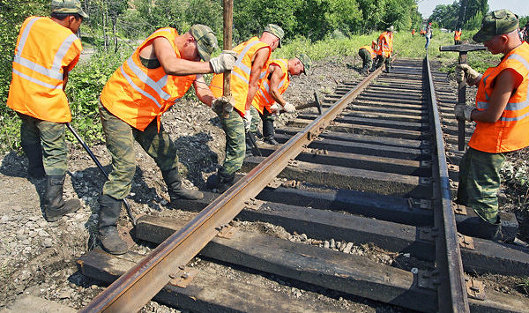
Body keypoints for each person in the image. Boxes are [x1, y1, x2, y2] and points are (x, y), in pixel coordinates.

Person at [96, 24, 236, 254]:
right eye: (198, 54)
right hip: (119, 108)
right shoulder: (164, 39)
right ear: (190, 40)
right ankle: (107, 227)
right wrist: (213, 64)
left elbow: (201, 89)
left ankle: (176, 190)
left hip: (145, 114)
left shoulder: (192, 63)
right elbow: (170, 66)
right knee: (126, 166)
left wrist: (214, 102)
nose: (199, 59)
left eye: (203, 58)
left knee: (167, 151)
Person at [6, 0, 88, 222]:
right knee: (56, 151)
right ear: (71, 18)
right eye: (79, 20)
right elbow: (63, 75)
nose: (79, 25)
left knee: (29, 130)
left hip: (21, 95)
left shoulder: (30, 22)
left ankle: (35, 170)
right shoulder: (71, 42)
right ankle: (54, 206)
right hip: (46, 103)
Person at [454, 9, 529, 242]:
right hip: (490, 139)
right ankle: (465, 221)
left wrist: (467, 113)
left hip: (494, 141)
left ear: (504, 39)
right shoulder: (520, 53)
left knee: (483, 193)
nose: (485, 44)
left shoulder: (511, 69)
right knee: (468, 176)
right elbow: (502, 92)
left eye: (488, 40)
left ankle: (486, 238)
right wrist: (478, 79)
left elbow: (493, 114)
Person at [208, 24, 283, 192]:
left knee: (243, 130)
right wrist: (247, 110)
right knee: (238, 149)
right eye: (277, 44)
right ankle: (222, 183)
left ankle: (229, 166)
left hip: (222, 92)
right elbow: (253, 82)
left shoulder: (249, 43)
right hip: (232, 98)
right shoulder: (264, 49)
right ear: (275, 41)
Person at [249, 54, 311, 146]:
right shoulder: (280, 67)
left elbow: (271, 87)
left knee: (269, 116)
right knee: (252, 122)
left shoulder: (285, 74)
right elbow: (273, 90)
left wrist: (273, 104)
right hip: (253, 97)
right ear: (297, 63)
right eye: (300, 71)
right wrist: (284, 104)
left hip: (263, 100)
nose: (299, 74)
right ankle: (248, 149)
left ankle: (269, 139)